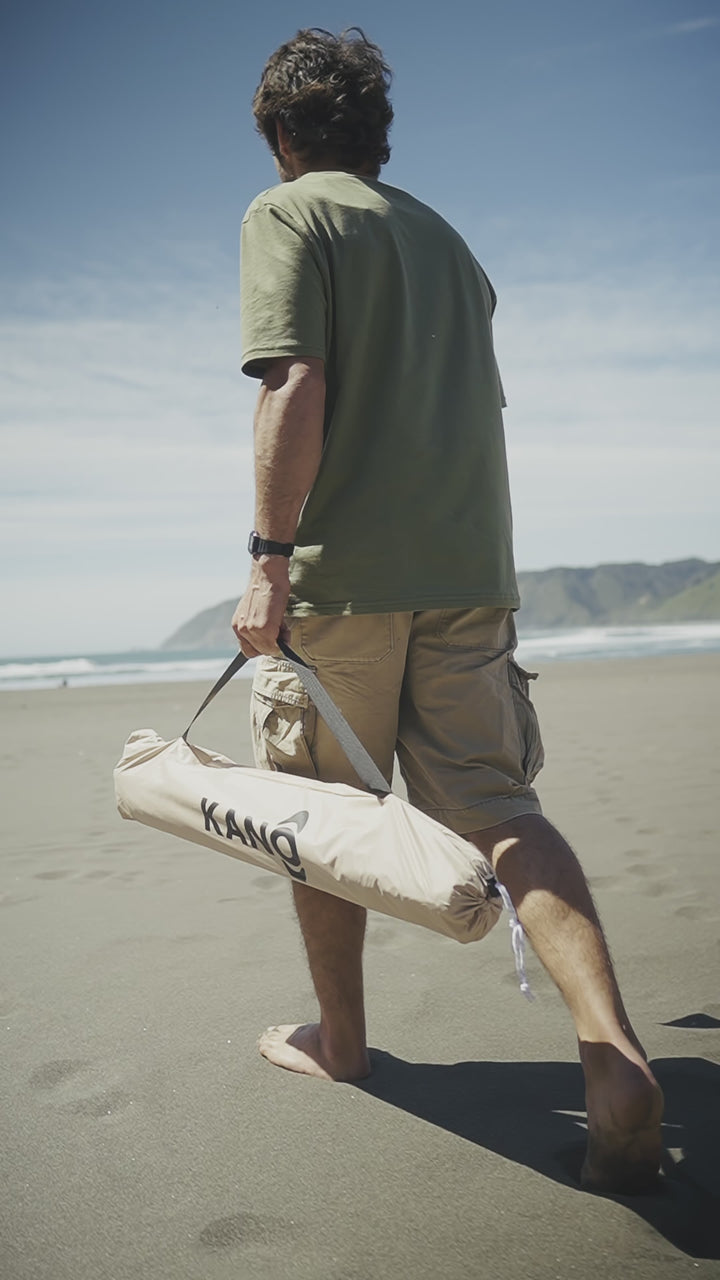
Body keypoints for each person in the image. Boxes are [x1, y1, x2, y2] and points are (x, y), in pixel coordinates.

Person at [231, 28, 663, 1194]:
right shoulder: (449, 242)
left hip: (348, 583)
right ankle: (616, 1056)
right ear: (377, 136)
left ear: (283, 135)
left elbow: (296, 379)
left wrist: (268, 555)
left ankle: (344, 1041)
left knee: (322, 815)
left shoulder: (287, 214)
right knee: (499, 807)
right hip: (471, 574)